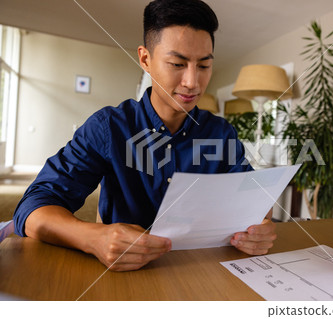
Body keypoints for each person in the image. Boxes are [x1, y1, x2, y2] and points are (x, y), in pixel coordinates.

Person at [13, 0, 276, 271]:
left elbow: (253, 199)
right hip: (127, 279)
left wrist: (259, 229)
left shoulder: (221, 133)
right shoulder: (109, 127)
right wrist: (93, 238)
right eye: (177, 63)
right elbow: (32, 209)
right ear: (145, 60)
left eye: (204, 66)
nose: (192, 82)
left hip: (200, 271)